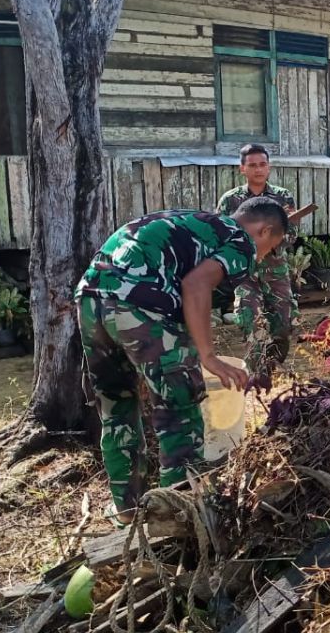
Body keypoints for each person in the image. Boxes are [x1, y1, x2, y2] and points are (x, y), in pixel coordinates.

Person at [75, 198, 287, 523]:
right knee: (180, 411)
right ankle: (176, 517)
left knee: (117, 409)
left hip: (90, 300)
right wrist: (208, 356)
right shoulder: (240, 239)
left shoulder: (196, 225)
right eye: (270, 246)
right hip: (141, 303)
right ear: (265, 230)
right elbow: (195, 285)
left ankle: (128, 511)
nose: (262, 256)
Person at [217, 144, 298, 377]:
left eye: (262, 164)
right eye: (252, 165)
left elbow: (291, 234)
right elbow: (223, 234)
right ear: (242, 168)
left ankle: (274, 363)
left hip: (275, 268)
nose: (258, 170)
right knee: (249, 318)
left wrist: (270, 241)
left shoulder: (282, 197)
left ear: (269, 167)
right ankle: (256, 373)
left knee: (283, 322)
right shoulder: (230, 201)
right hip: (245, 272)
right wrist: (247, 247)